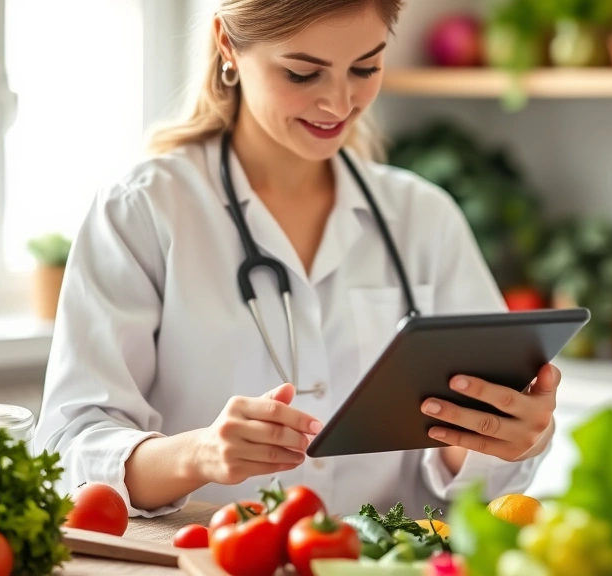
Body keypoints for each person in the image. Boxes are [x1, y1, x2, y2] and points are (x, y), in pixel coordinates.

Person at [32, 0, 561, 519]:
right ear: (227, 46)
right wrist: (200, 454)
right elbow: (69, 448)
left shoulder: (425, 218)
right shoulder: (142, 211)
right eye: (303, 74)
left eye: (365, 67)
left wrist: (495, 434)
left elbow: (466, 478)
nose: (339, 103)